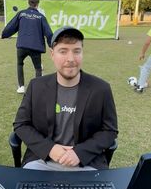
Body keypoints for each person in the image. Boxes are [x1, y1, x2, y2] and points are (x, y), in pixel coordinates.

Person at [13, 26, 118, 171]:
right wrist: (49, 148)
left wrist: (80, 153)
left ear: (82, 53)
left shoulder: (101, 89)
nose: (70, 59)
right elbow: (21, 124)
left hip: (86, 162)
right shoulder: (36, 86)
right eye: (63, 51)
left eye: (76, 51)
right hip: (42, 160)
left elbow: (110, 131)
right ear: (52, 54)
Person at [1, 0, 53, 94]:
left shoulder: (21, 14)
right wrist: (51, 45)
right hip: (36, 47)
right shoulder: (41, 17)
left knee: (20, 64)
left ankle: (21, 87)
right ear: (37, 4)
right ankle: (38, 88)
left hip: (22, 45)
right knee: (38, 68)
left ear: (28, 2)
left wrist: (3, 34)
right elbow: (49, 33)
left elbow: (11, 26)